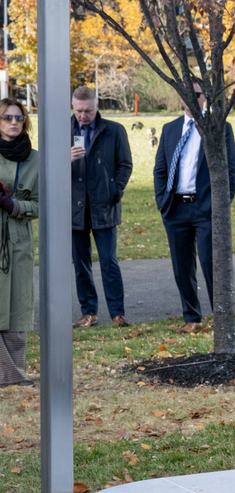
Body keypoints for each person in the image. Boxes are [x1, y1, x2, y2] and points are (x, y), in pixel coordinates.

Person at [152, 83, 235, 333]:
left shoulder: (219, 127)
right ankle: (192, 317)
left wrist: (219, 206)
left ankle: (220, 318)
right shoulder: (170, 129)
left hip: (206, 209)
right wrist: (162, 200)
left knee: (212, 264)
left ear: (205, 97)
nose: (190, 99)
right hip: (176, 208)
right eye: (185, 94)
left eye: (196, 95)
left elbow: (231, 169)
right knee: (182, 266)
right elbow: (160, 169)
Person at [70, 86, 133, 328]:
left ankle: (117, 312)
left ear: (97, 107)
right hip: (75, 206)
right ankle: (89, 312)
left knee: (109, 260)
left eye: (88, 111)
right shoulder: (64, 129)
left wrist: (114, 190)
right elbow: (48, 164)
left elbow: (125, 164)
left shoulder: (114, 131)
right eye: (78, 111)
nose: (83, 116)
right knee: (81, 262)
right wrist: (67, 158)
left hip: (104, 204)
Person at [0, 99, 38, 387]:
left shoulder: (36, 160)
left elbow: (43, 204)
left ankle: (15, 373)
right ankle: (7, 373)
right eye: (7, 117)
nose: (14, 122)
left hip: (19, 241)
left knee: (18, 310)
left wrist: (15, 206)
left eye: (18, 117)